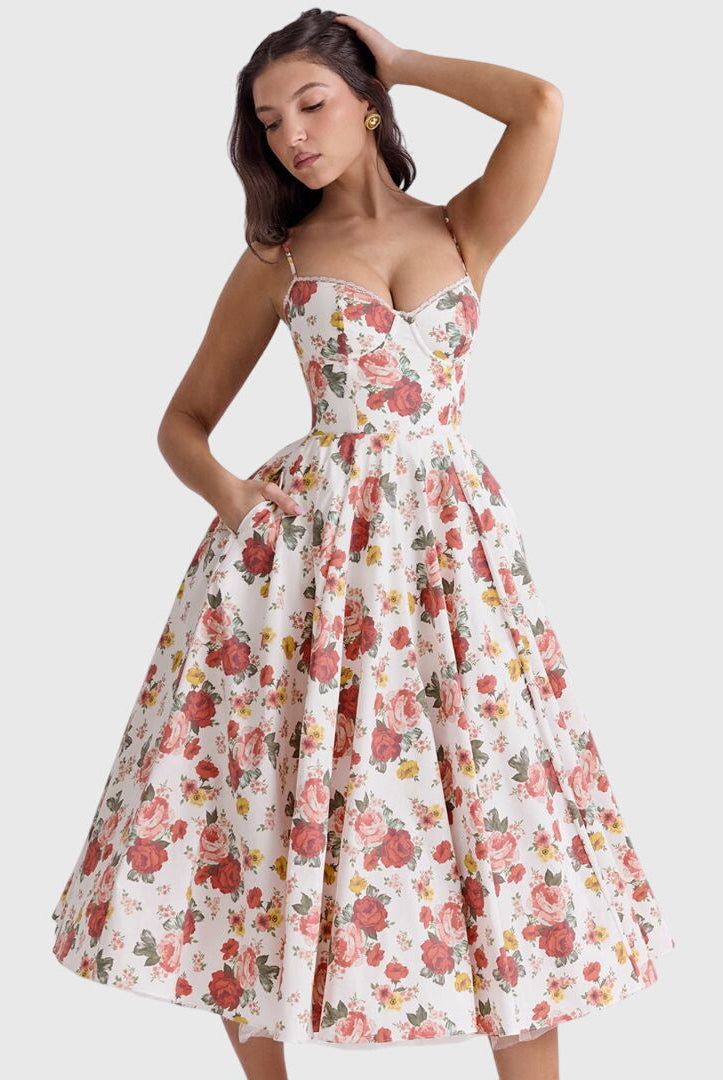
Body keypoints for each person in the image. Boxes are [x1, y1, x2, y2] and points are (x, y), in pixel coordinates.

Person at [50, 10, 675, 1080]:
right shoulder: (280, 258)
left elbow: (540, 107)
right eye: (268, 121)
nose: (291, 135)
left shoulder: (463, 229)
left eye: (312, 103)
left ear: (368, 103)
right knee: (259, 803)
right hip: (305, 568)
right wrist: (237, 502)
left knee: (498, 805)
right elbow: (182, 424)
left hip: (450, 559)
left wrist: (407, 61)